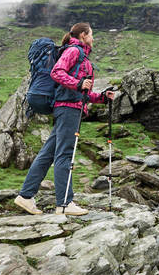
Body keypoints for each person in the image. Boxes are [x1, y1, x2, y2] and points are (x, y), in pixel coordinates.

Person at [14, 22, 115, 216]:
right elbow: (57, 72)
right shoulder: (74, 51)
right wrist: (78, 84)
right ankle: (64, 204)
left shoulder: (79, 54)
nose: (93, 39)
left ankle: (26, 196)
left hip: (66, 107)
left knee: (48, 154)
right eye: (92, 34)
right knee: (64, 155)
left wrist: (102, 97)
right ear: (84, 35)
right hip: (68, 110)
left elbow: (82, 92)